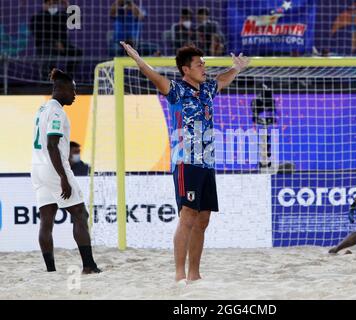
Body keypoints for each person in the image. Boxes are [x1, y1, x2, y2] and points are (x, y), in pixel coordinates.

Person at [120, 41, 250, 283]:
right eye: (199, 64)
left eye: (204, 63)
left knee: (203, 219)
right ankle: (179, 274)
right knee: (188, 214)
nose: (204, 67)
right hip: (185, 161)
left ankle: (194, 274)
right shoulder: (176, 90)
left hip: (207, 162)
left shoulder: (209, 88)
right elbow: (154, 76)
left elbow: (223, 79)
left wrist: (237, 68)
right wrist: (138, 59)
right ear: (185, 69)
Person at [31, 69, 101, 273]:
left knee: (46, 218)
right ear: (60, 89)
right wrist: (63, 177)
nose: (75, 94)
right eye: (72, 90)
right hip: (53, 168)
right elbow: (53, 146)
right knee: (80, 214)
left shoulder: (42, 109)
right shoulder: (56, 112)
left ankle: (50, 270)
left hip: (36, 167)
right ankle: (88, 266)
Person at [29, 0, 83, 78]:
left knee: (77, 52)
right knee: (49, 57)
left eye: (54, 4)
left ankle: (67, 77)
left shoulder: (61, 15)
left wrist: (67, 6)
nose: (52, 6)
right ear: (44, 5)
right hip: (46, 45)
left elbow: (76, 21)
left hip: (63, 45)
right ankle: (47, 80)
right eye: (49, 4)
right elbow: (39, 35)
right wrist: (55, 43)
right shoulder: (38, 17)